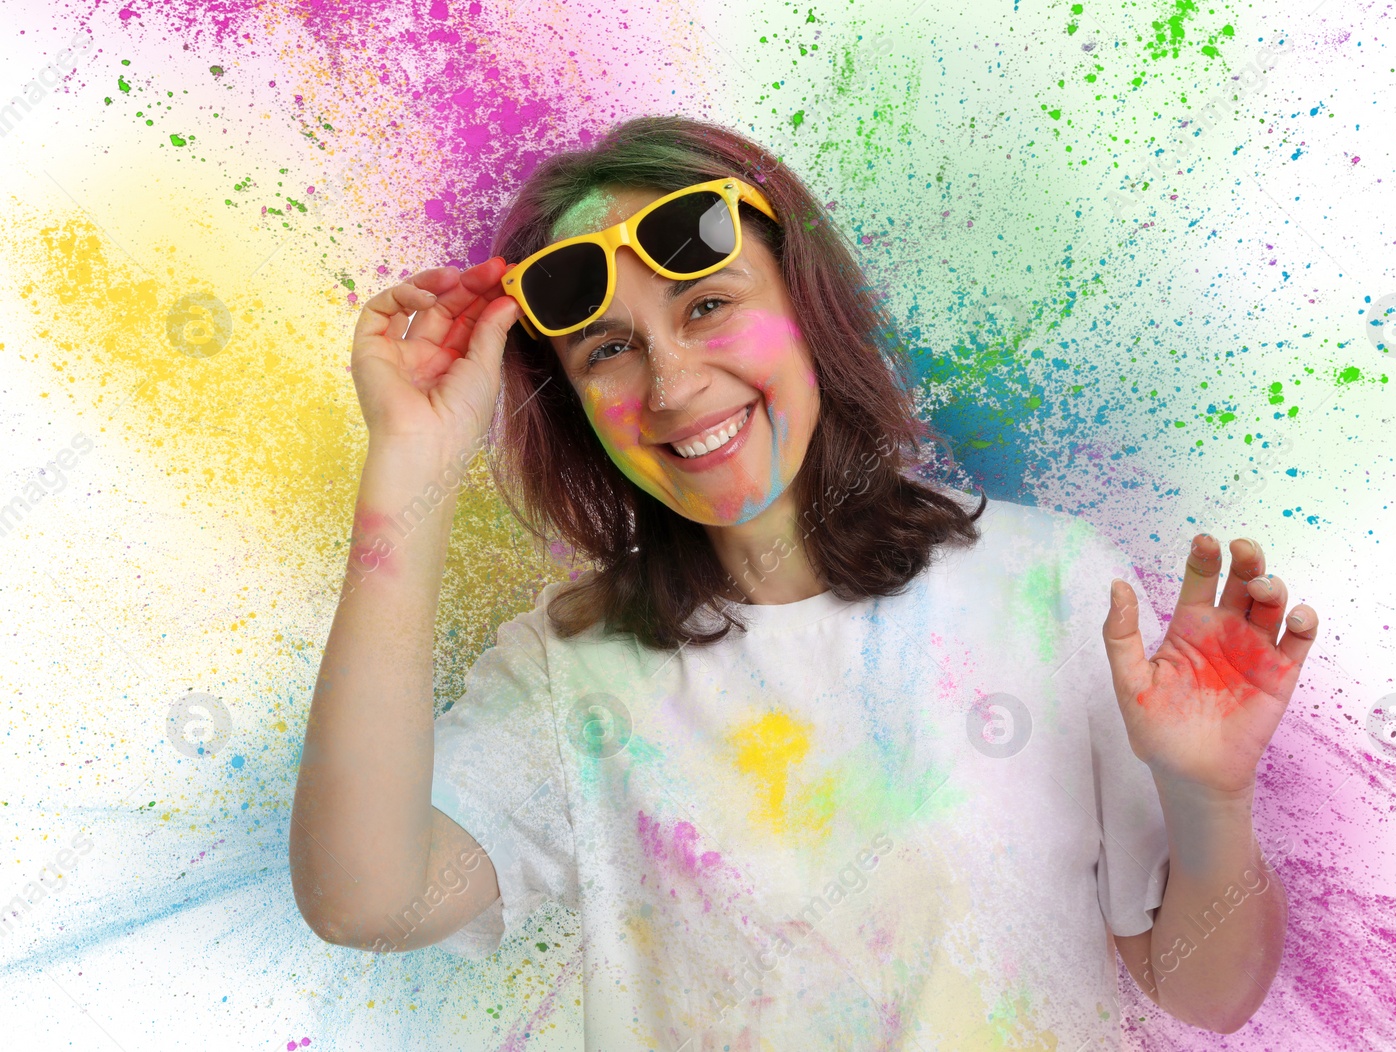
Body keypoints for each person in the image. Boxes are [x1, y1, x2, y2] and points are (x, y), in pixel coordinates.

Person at [289, 115, 1320, 1049]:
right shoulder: (572, 662)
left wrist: (1206, 794)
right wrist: (410, 470)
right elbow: (366, 899)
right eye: (610, 349)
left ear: (805, 300)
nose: (672, 382)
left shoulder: (1050, 585)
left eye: (707, 305)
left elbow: (1208, 994)